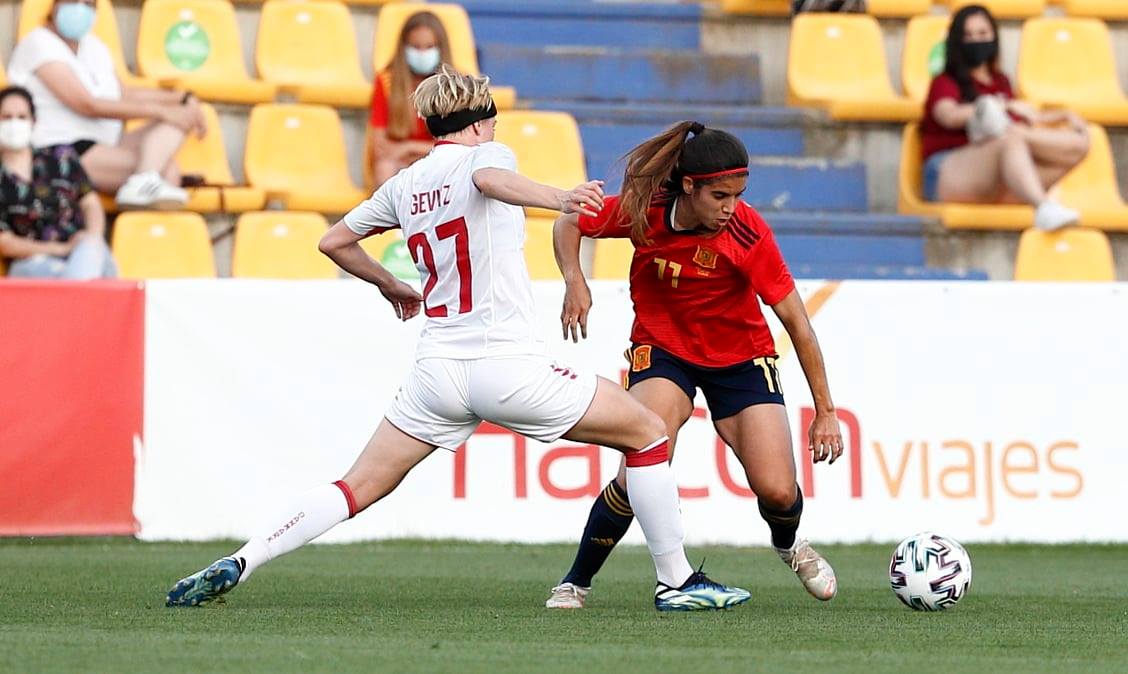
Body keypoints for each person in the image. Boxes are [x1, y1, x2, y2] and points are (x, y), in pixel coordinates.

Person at [165, 66, 751, 613]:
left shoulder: (405, 183)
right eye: (491, 121)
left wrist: (391, 284)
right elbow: (490, 177)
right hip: (505, 366)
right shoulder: (485, 153)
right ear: (476, 123)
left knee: (355, 486)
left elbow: (334, 242)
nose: (494, 131)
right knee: (649, 435)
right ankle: (676, 582)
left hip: (437, 371)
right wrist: (560, 198)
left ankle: (246, 558)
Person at [545, 122, 842, 610]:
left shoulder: (747, 232)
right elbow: (569, 220)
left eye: (739, 194)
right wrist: (574, 279)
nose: (732, 207)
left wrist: (825, 411)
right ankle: (576, 582)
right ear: (689, 186)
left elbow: (798, 324)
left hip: (741, 358)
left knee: (777, 489)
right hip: (664, 351)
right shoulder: (645, 212)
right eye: (721, 195)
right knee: (643, 459)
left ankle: (789, 544)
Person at [6, 0, 207, 208]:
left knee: (182, 117)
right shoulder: (38, 43)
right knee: (168, 172)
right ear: (55, 5)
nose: (80, 8)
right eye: (73, 1)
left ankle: (143, 180)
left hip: (108, 143)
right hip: (64, 149)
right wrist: (161, 111)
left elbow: (124, 94)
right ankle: (143, 180)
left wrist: (181, 99)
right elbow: (88, 104)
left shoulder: (95, 46)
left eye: (88, 3)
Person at [920, 4, 1089, 231]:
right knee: (1009, 138)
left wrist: (1061, 115)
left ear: (994, 37)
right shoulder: (945, 82)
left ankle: (1038, 198)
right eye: (968, 35)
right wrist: (994, 107)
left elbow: (1023, 119)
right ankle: (1043, 206)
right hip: (947, 173)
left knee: (1078, 144)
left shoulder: (1001, 82)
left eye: (982, 34)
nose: (976, 41)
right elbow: (948, 115)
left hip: (997, 175)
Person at [0, 86, 116, 279]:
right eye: (7, 117)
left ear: (33, 121)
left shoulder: (61, 157)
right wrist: (60, 249)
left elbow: (89, 202)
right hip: (32, 262)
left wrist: (91, 238)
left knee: (91, 255)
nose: (14, 123)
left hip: (82, 252)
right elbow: (5, 242)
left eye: (22, 117)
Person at [367, 11, 451, 188]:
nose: (422, 53)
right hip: (399, 164)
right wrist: (424, 149)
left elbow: (457, 147)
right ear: (403, 47)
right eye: (416, 47)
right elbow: (380, 146)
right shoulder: (386, 81)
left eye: (429, 47)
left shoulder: (454, 85)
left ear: (440, 49)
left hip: (440, 165)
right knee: (385, 167)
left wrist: (408, 148)